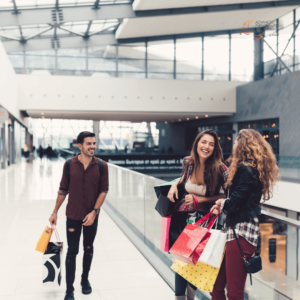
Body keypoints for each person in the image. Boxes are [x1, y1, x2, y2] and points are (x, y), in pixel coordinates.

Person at [210, 129, 279, 300]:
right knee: (216, 287)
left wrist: (222, 203)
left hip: (241, 233)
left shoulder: (247, 170)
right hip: (232, 232)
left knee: (234, 292)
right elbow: (237, 200)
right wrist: (224, 203)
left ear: (242, 145)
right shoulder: (248, 169)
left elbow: (234, 203)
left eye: (235, 142)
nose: (233, 145)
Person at [167, 129, 228, 300]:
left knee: (195, 263)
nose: (206, 146)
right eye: (204, 142)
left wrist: (199, 199)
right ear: (197, 143)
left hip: (204, 222)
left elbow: (227, 195)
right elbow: (184, 179)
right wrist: (174, 184)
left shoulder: (219, 168)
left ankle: (191, 297)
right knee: (180, 261)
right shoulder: (188, 162)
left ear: (215, 148)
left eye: (211, 144)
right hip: (183, 220)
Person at [49, 131, 109, 300]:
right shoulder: (69, 165)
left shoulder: (102, 166)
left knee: (88, 249)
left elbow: (104, 191)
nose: (93, 147)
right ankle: (69, 289)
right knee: (72, 252)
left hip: (92, 216)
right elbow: (63, 189)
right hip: (73, 215)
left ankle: (84, 279)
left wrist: (95, 212)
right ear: (80, 146)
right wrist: (55, 212)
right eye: (89, 144)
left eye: (94, 143)